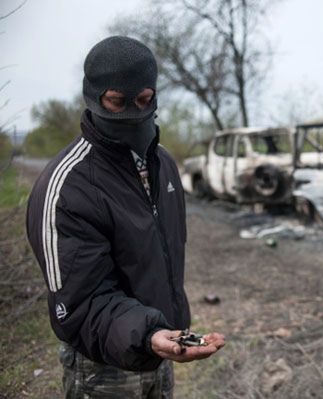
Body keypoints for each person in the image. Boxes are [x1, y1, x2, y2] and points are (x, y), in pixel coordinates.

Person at [26, 36, 225, 398]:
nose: (133, 113)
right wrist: (147, 335)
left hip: (162, 351)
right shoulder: (67, 186)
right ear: (94, 96)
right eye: (117, 102)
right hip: (103, 369)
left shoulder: (163, 163)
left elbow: (163, 258)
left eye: (145, 100)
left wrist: (164, 332)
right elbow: (80, 303)